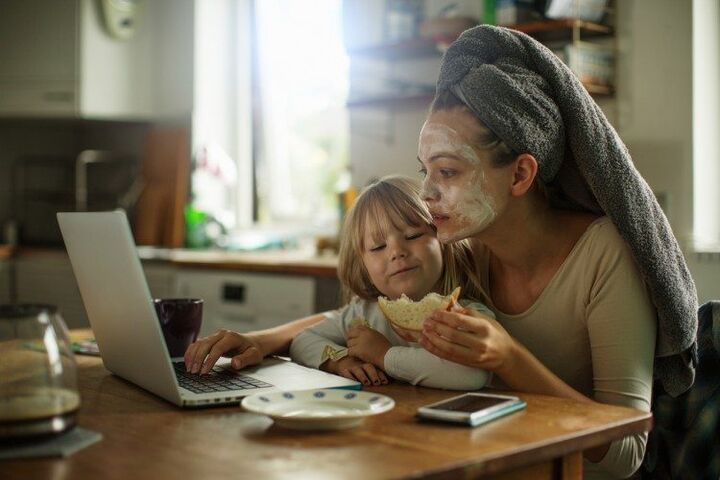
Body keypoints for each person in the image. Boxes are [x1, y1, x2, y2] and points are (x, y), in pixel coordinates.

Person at [185, 25, 698, 480]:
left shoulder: (603, 255)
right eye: (425, 169)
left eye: (448, 172)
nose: (426, 194)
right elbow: (352, 316)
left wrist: (509, 357)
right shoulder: (463, 252)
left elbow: (626, 451)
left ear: (521, 174)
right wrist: (262, 340)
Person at [288, 175, 491, 390]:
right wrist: (339, 360)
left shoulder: (465, 314)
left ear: (443, 241)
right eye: (377, 247)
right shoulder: (364, 313)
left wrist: (383, 355)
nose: (397, 252)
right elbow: (303, 340)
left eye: (412, 236)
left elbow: (470, 374)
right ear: (362, 265)